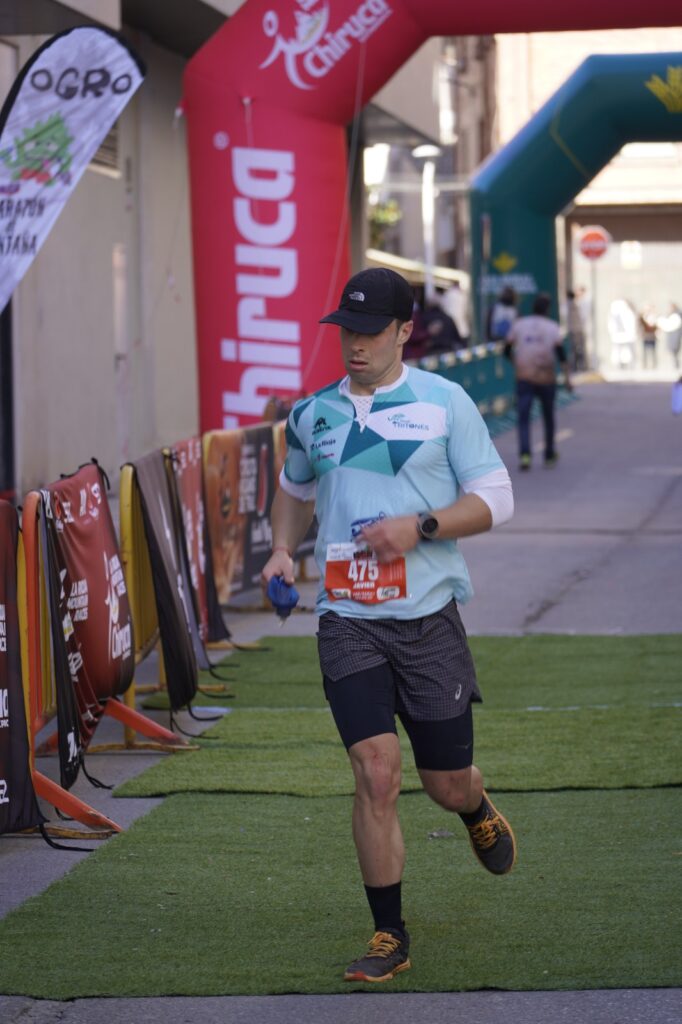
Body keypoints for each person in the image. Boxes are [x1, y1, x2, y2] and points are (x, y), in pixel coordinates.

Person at [261, 267, 516, 984]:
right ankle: (388, 934)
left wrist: (419, 527)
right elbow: (294, 491)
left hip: (428, 620)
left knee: (444, 784)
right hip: (347, 620)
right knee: (376, 770)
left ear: (405, 331)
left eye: (371, 332)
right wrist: (281, 547)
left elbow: (498, 498)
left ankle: (473, 804)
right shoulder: (312, 414)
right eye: (347, 330)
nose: (356, 345)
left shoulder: (445, 402)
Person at [506, 292, 572, 471]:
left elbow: (506, 349)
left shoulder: (519, 325)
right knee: (548, 416)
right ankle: (549, 453)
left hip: (524, 377)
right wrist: (567, 379)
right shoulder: (552, 327)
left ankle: (525, 454)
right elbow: (561, 355)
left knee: (523, 417)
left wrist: (516, 363)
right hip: (546, 378)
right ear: (547, 310)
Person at [607, 298, 637, 370]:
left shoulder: (628, 313)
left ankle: (626, 363)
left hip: (626, 336)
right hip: (618, 335)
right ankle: (619, 363)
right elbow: (611, 325)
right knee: (617, 350)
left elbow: (631, 325)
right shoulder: (614, 314)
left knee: (626, 350)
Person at [565, 289, 587, 371]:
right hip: (578, 329)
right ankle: (580, 367)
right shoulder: (577, 305)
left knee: (573, 350)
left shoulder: (567, 306)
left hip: (573, 330)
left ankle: (576, 367)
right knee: (578, 349)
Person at [657, 303, 682, 371]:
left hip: (675, 337)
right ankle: (675, 366)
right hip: (672, 337)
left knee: (675, 353)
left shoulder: (676, 316)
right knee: (673, 353)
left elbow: (670, 326)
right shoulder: (672, 315)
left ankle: (676, 366)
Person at [639, 306, 658, 370]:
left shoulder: (654, 317)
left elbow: (656, 326)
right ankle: (645, 365)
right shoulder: (643, 317)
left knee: (653, 352)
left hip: (652, 336)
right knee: (645, 352)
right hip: (646, 336)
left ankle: (654, 365)